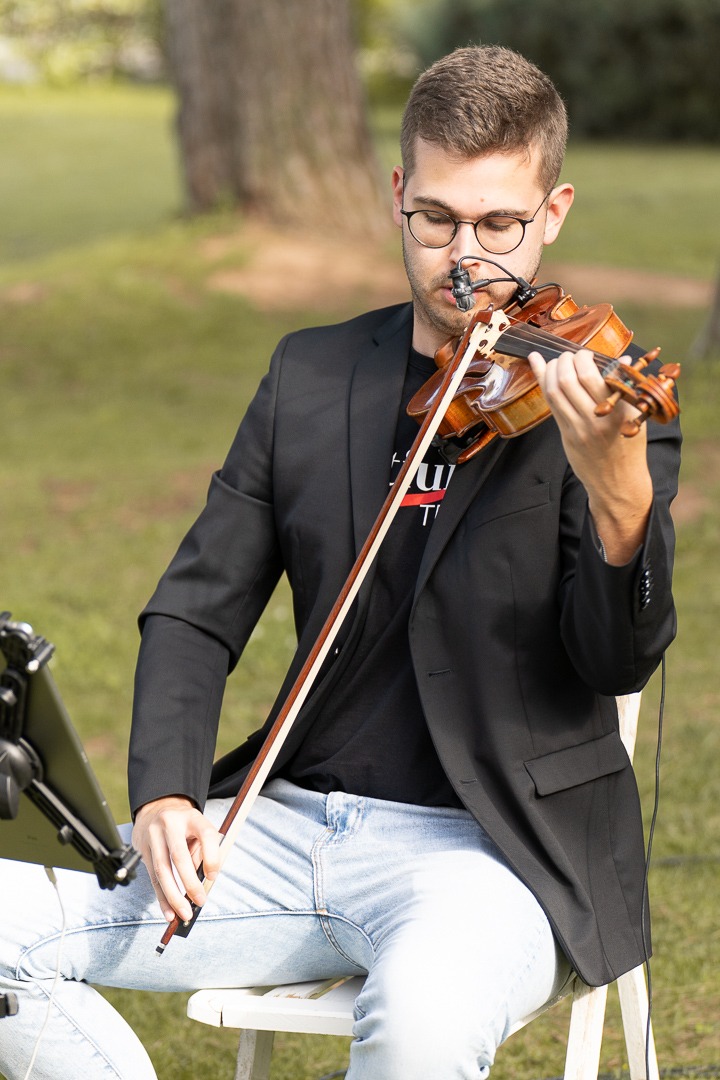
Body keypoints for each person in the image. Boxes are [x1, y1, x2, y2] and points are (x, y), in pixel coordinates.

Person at [0, 44, 680, 1080]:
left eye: (499, 225)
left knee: (418, 1021)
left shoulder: (598, 400)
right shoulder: (308, 378)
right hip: (277, 832)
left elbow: (614, 660)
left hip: (489, 856)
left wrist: (619, 494)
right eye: (438, 218)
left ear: (553, 212)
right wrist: (168, 791)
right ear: (397, 193)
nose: (466, 257)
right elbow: (195, 609)